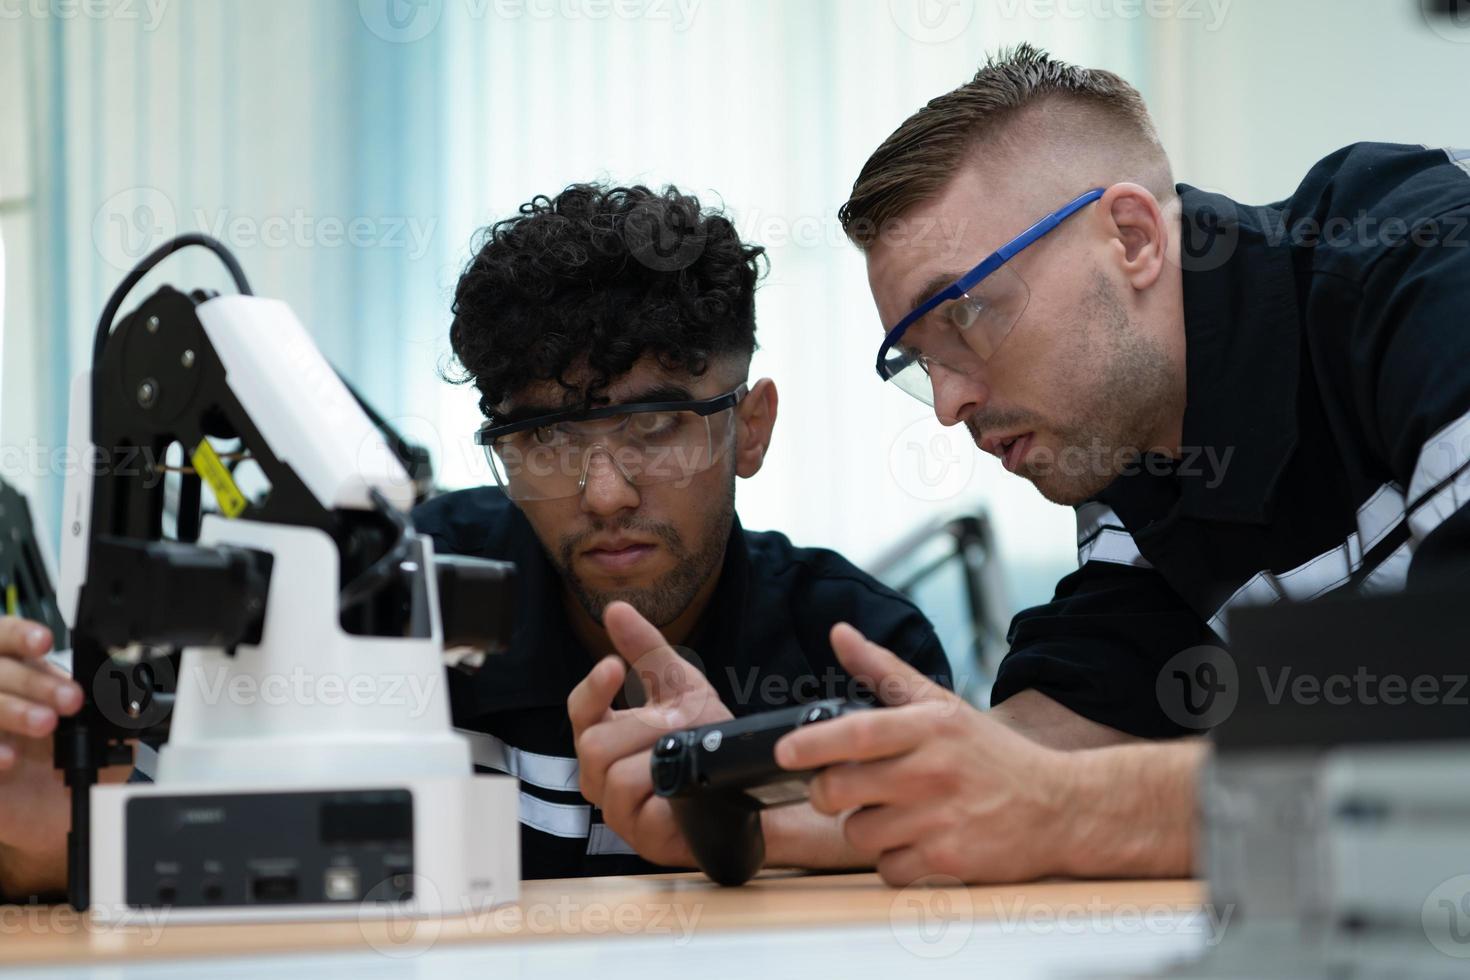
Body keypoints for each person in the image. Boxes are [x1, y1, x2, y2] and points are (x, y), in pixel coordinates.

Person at [0, 183, 950, 897]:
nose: (606, 493)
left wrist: (752, 820)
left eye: (656, 425)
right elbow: (107, 832)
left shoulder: (855, 657)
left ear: (751, 428)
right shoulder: (372, 596)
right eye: (543, 439)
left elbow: (942, 875)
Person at [761, 43, 1470, 886]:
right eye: (919, 361)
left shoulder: (1425, 267)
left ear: (1132, 239)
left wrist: (1070, 812)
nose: (948, 404)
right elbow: (1086, 707)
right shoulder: (1133, 446)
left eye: (966, 316)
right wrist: (755, 799)